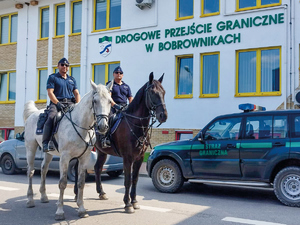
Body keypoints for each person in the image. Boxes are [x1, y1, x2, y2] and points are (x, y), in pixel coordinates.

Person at [42, 58, 81, 152]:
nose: (64, 67)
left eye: (66, 65)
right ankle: (47, 142)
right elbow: (50, 93)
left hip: (70, 103)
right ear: (58, 66)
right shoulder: (53, 77)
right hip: (57, 103)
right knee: (52, 117)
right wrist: (57, 103)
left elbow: (76, 93)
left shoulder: (72, 79)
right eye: (62, 65)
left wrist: (78, 104)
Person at [101, 66, 133, 148]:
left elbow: (130, 98)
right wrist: (115, 105)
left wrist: (132, 107)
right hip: (113, 106)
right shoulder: (110, 84)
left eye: (120, 73)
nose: (119, 74)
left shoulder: (126, 86)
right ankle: (106, 138)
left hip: (125, 107)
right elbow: (109, 97)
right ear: (113, 74)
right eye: (117, 73)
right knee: (110, 118)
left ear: (122, 75)